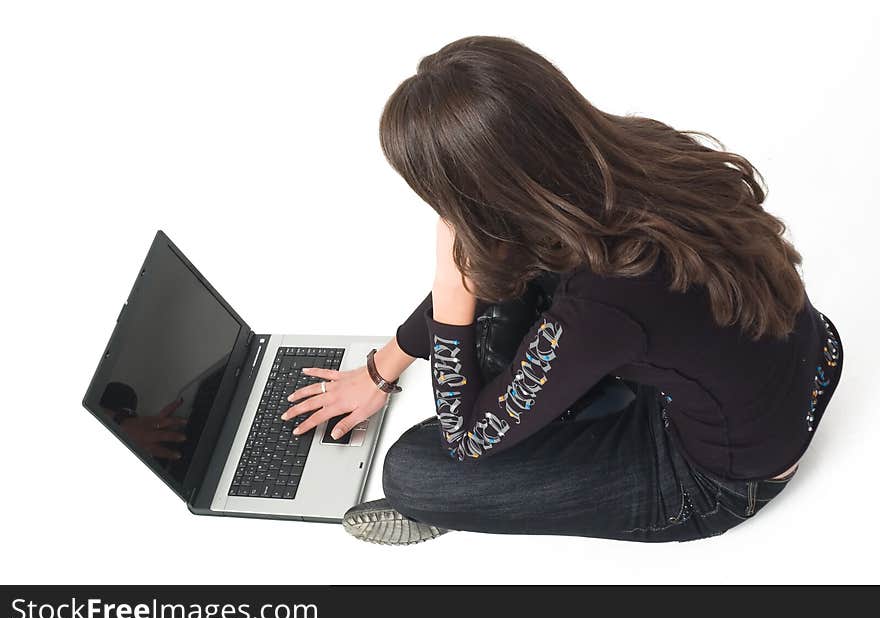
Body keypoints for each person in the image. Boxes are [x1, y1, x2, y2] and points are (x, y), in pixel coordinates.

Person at [279, 36, 843, 544]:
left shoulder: (603, 301)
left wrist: (450, 291)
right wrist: (384, 366)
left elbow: (467, 440)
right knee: (502, 287)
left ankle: (517, 464)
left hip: (722, 477)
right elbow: (506, 268)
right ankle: (547, 403)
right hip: (813, 360)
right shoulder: (639, 151)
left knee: (415, 473)